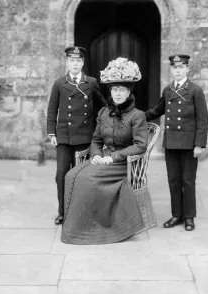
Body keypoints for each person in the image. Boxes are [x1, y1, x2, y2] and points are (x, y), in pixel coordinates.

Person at [61, 57, 148, 245]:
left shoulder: (137, 115)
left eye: (121, 90)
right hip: (103, 159)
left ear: (128, 92)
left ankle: (89, 229)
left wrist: (113, 157)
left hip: (123, 162)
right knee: (70, 175)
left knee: (88, 179)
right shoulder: (103, 113)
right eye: (114, 89)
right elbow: (96, 140)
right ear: (110, 91)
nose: (117, 93)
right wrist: (97, 155)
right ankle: (74, 225)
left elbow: (140, 145)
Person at [145, 54, 208, 231]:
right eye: (175, 68)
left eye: (181, 67)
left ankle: (188, 216)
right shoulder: (168, 91)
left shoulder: (195, 90)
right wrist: (137, 116)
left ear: (187, 69)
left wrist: (199, 144)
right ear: (171, 69)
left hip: (189, 144)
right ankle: (176, 215)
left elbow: (202, 119)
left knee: (188, 180)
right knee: (173, 180)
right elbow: (157, 111)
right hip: (171, 142)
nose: (178, 70)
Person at [47, 46, 106, 225]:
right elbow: (52, 109)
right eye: (71, 60)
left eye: (78, 60)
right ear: (67, 62)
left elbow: (102, 106)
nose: (75, 64)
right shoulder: (59, 83)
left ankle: (81, 211)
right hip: (63, 136)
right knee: (61, 174)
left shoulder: (91, 82)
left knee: (81, 175)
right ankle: (63, 211)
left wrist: (100, 129)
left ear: (82, 62)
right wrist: (51, 132)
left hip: (84, 136)